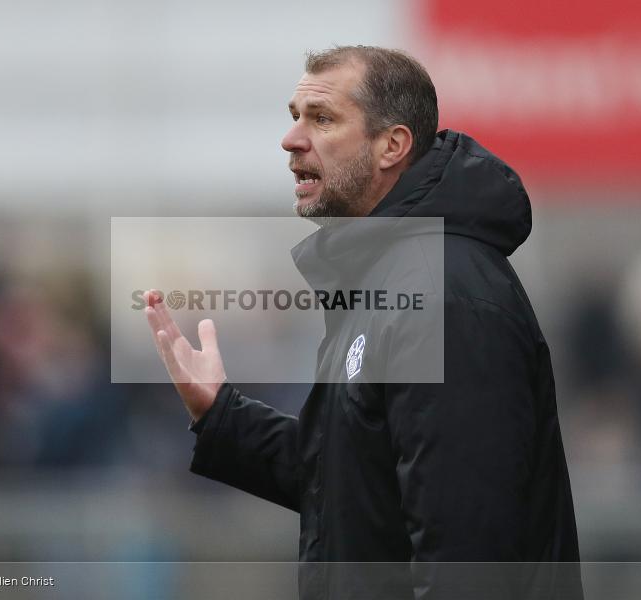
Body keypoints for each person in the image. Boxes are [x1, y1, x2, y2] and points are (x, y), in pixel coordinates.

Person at [143, 46, 582, 599]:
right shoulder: (388, 279)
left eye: (322, 119)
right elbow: (355, 486)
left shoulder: (440, 291)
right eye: (294, 116)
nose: (291, 139)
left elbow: (467, 554)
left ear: (392, 146)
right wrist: (223, 416)